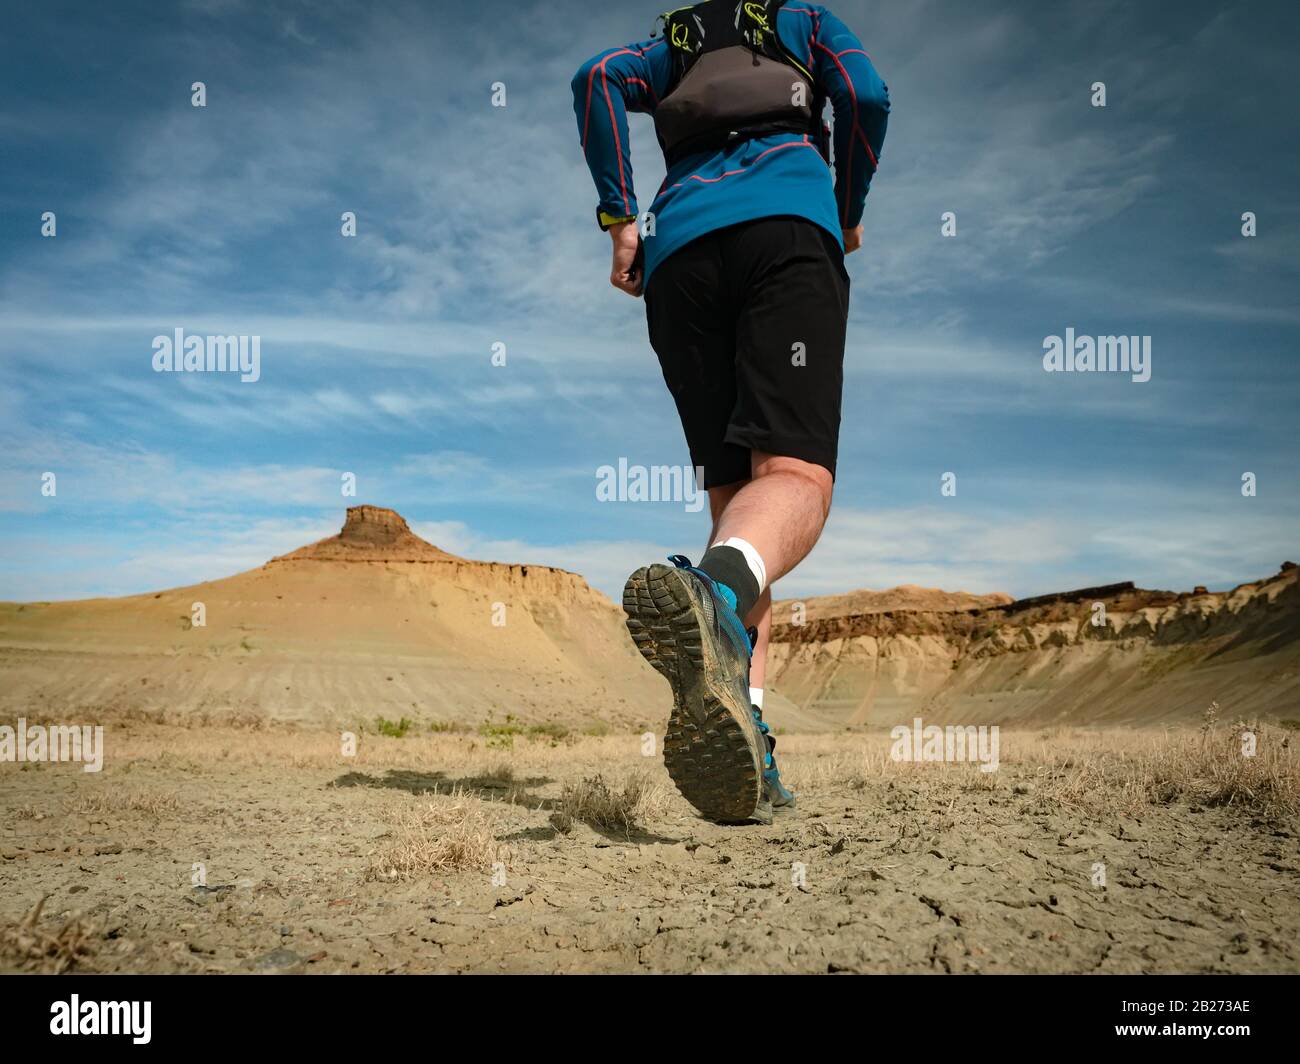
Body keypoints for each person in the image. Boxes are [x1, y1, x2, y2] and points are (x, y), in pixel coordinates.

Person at [571, 0, 889, 823]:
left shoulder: (669, 43)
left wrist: (618, 221)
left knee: (739, 515)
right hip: (784, 232)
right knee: (794, 478)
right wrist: (845, 207)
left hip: (680, 264)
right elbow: (865, 93)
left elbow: (597, 80)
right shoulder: (799, 19)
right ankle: (711, 597)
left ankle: (746, 734)